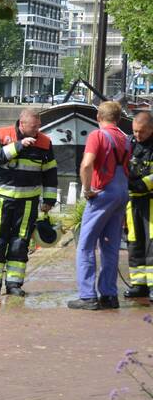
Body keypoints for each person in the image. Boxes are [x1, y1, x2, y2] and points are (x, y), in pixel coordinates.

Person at [0, 109, 58, 299]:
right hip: (2, 202)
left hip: (28, 203)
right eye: (34, 126)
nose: (37, 130)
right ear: (22, 124)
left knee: (19, 244)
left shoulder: (45, 143)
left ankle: (14, 284)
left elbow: (50, 172)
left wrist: (48, 200)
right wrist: (18, 146)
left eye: (39, 126)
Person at [71, 101, 130, 309]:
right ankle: (109, 295)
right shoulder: (125, 138)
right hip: (122, 193)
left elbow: (87, 164)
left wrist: (87, 189)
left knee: (86, 245)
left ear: (98, 118)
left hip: (103, 193)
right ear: (119, 119)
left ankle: (87, 296)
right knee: (110, 246)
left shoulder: (97, 136)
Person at [125, 110, 153, 298]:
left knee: (152, 243)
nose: (137, 135)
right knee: (134, 241)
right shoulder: (129, 143)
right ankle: (138, 283)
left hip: (150, 201)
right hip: (132, 200)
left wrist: (142, 184)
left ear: (151, 128)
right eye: (135, 131)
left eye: (141, 132)